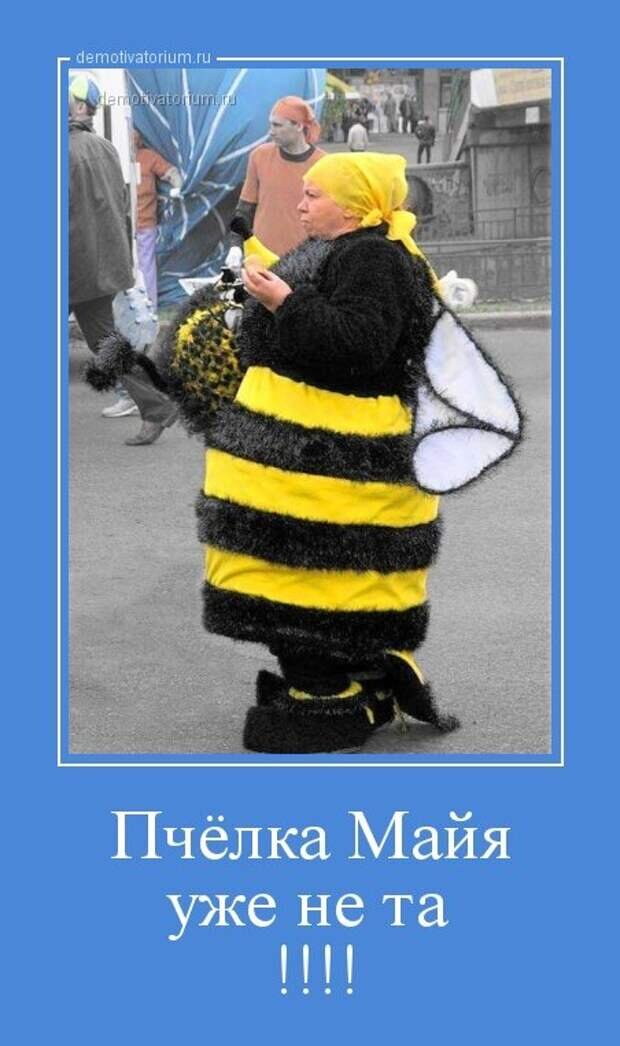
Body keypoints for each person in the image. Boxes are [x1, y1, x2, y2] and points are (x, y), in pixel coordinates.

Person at [200, 153, 462, 754]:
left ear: (354, 206)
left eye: (313, 195)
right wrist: (258, 288)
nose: (300, 204)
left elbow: (359, 344)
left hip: (331, 468)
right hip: (321, 464)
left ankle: (329, 699)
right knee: (321, 583)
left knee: (305, 584)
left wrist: (283, 303)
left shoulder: (374, 258)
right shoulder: (353, 250)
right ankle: (359, 676)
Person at [69, 74, 178, 445]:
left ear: (78, 107)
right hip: (97, 266)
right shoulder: (106, 148)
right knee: (108, 344)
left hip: (72, 266)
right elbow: (120, 205)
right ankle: (157, 407)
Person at [230, 96, 325, 258]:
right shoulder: (259, 156)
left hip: (304, 262)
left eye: (277, 125)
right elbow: (244, 210)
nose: (271, 131)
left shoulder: (323, 164)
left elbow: (330, 220)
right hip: (260, 259)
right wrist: (235, 246)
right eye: (271, 124)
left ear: (298, 126)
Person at [133, 130, 182, 311]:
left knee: (146, 266)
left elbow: (171, 172)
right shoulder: (114, 156)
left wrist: (179, 187)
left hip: (145, 223)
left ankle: (149, 307)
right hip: (120, 224)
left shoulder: (148, 156)